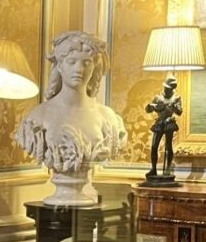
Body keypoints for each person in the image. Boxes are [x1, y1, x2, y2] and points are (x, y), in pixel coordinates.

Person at [15, 31, 126, 205]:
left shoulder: (108, 118)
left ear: (94, 67)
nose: (79, 69)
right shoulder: (38, 117)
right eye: (71, 62)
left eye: (86, 63)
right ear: (59, 65)